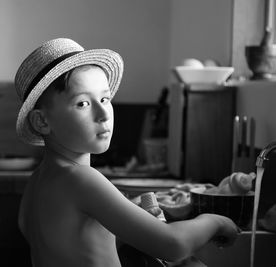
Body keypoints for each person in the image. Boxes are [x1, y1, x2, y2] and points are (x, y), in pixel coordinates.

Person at [15, 38, 240, 267]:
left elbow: (79, 243)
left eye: (104, 99)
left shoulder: (38, 182)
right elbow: (174, 244)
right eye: (82, 104)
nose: (103, 113)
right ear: (42, 121)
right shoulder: (81, 179)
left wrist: (132, 217)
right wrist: (214, 222)